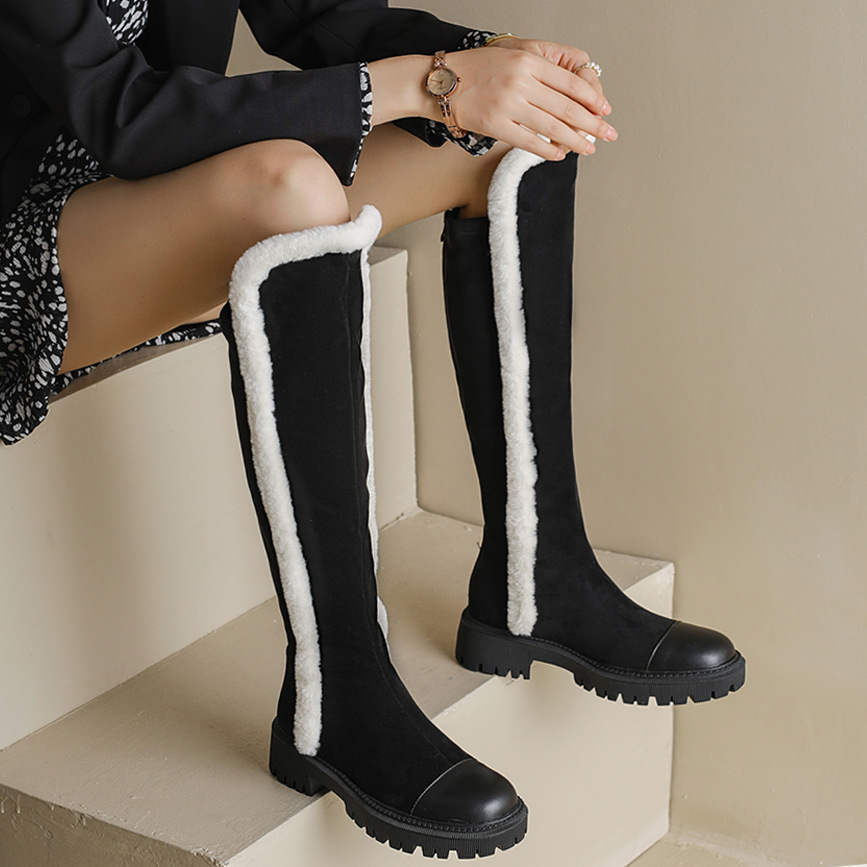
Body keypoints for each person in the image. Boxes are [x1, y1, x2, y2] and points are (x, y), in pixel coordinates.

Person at [0, 0, 746, 858]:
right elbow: (127, 114)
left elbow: (317, 16)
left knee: (515, 130)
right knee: (292, 186)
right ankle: (338, 694)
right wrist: (437, 84)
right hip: (29, 235)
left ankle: (541, 577)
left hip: (147, 191)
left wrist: (490, 60)